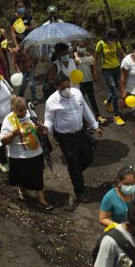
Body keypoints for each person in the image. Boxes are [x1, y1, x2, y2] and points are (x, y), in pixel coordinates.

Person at [44, 72, 101, 208]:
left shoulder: (77, 94)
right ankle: (80, 191)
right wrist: (46, 128)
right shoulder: (51, 101)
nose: (66, 89)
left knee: (88, 158)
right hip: (65, 137)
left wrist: (95, 126)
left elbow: (86, 110)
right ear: (57, 87)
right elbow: (49, 119)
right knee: (74, 163)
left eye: (67, 86)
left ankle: (75, 173)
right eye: (62, 88)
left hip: (80, 133)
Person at [0, 96, 53, 209]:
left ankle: (41, 198)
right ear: (14, 110)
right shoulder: (8, 120)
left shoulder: (30, 114)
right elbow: (3, 140)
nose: (24, 112)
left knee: (38, 176)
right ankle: (22, 191)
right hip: (18, 155)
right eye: (20, 110)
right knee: (20, 176)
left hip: (35, 152)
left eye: (24, 108)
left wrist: (40, 129)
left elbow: (40, 127)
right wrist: (13, 135)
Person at [93, 28, 125, 126]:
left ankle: (108, 102)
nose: (112, 40)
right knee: (115, 93)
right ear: (106, 36)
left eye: (114, 38)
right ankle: (116, 116)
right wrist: (94, 72)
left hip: (116, 67)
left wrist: (128, 60)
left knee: (116, 87)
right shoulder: (101, 44)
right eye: (110, 38)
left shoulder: (116, 41)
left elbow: (122, 52)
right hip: (107, 70)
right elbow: (96, 58)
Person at [74, 40, 103, 123]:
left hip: (88, 80)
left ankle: (97, 115)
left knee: (92, 98)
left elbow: (92, 66)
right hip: (79, 82)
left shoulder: (89, 56)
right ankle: (83, 117)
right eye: (80, 47)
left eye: (83, 47)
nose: (82, 49)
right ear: (77, 48)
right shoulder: (73, 56)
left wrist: (95, 75)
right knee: (80, 100)